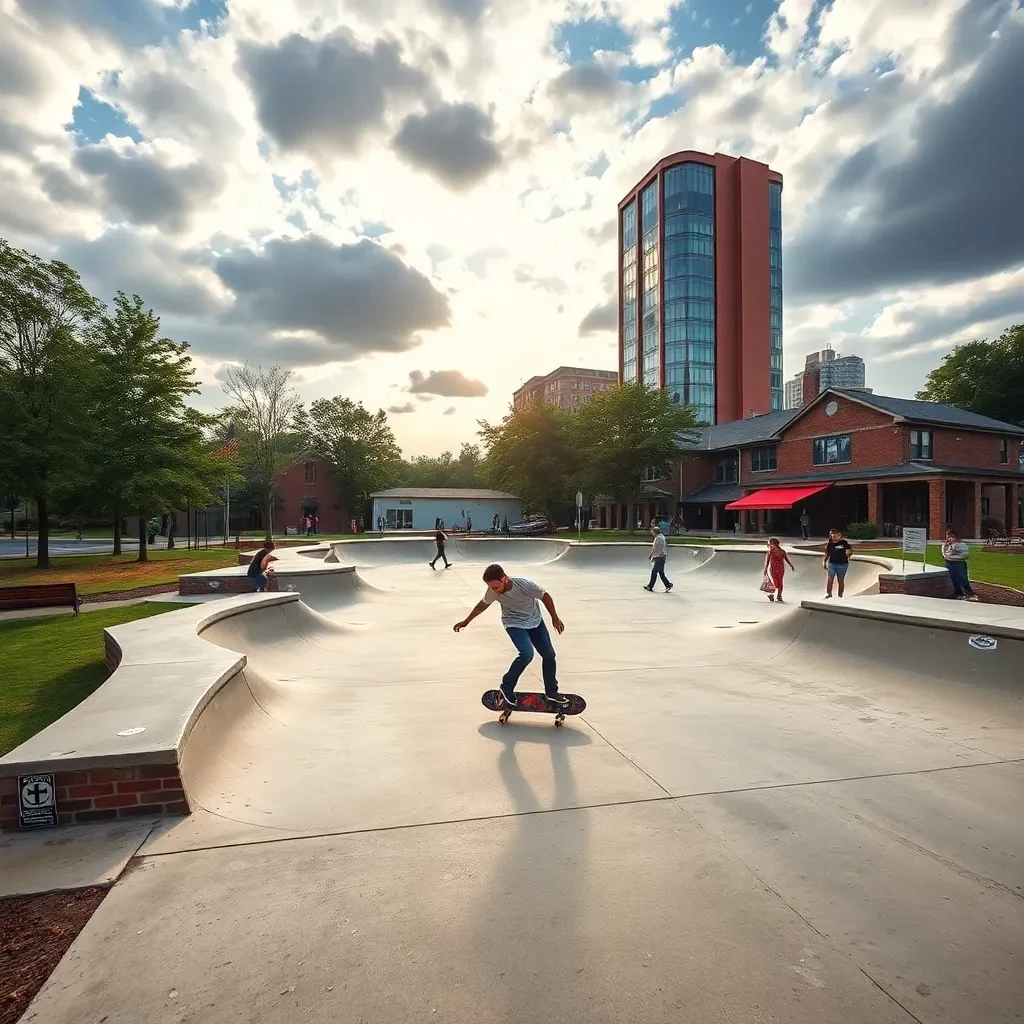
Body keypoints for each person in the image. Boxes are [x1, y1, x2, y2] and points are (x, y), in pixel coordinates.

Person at [453, 563, 568, 708]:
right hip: (513, 623)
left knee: (549, 655)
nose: (494, 590)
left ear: (505, 579)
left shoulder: (524, 585)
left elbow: (545, 596)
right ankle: (506, 686)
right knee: (526, 654)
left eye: (496, 587)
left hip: (535, 622)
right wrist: (466, 621)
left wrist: (554, 617)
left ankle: (551, 692)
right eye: (491, 587)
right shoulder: (492, 591)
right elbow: (482, 605)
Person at [943, 528, 979, 601]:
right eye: (947, 536)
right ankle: (959, 594)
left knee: (963, 578)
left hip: (959, 563)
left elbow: (964, 555)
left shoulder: (962, 545)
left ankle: (970, 594)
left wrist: (954, 546)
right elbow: (945, 554)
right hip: (950, 563)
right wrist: (947, 546)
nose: (949, 538)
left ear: (956, 537)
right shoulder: (945, 545)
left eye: (951, 536)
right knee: (954, 579)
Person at [763, 537, 796, 603]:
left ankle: (775, 595)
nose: (769, 545)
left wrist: (765, 569)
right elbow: (767, 561)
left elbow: (785, 558)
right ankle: (776, 595)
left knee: (777, 582)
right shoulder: (776, 551)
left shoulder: (775, 551)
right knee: (777, 582)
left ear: (773, 544)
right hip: (777, 569)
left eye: (770, 544)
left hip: (776, 569)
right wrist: (791, 565)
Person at [823, 528, 853, 598]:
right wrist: (824, 561)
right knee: (830, 579)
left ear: (839, 535)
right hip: (832, 563)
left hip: (842, 564)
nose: (833, 538)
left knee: (840, 580)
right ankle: (828, 593)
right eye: (832, 536)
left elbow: (850, 551)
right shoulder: (830, 543)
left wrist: (849, 554)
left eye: (835, 536)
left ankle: (840, 595)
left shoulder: (844, 543)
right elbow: (827, 553)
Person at [643, 525, 673, 592]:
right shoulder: (662, 536)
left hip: (659, 557)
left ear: (655, 532)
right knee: (661, 572)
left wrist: (653, 555)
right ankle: (668, 584)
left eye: (652, 531)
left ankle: (650, 586)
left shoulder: (658, 538)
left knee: (654, 572)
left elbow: (656, 548)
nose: (651, 533)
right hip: (662, 556)